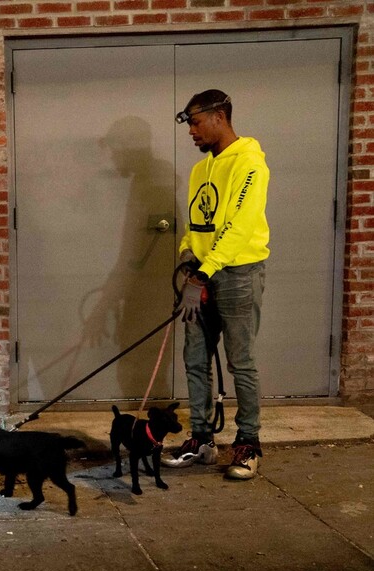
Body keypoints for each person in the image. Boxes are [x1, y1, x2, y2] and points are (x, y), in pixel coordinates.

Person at [162, 91, 270, 480]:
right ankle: (202, 440)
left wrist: (205, 273)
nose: (191, 131)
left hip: (238, 274)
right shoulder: (199, 170)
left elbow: (240, 225)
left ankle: (247, 444)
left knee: (240, 361)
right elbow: (197, 224)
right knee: (194, 359)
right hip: (202, 273)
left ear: (219, 117)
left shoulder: (249, 163)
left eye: (195, 122)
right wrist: (190, 256)